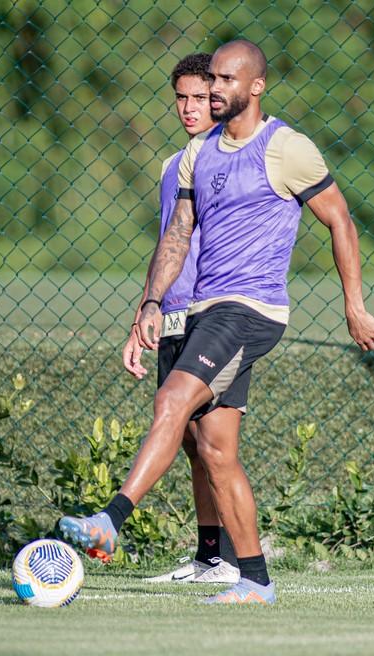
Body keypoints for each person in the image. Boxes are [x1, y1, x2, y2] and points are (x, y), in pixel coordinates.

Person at [61, 40, 374, 605]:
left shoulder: (287, 148)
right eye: (210, 77)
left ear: (254, 87)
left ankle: (110, 519)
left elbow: (341, 221)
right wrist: (150, 304)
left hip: (252, 310)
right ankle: (255, 581)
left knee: (172, 401)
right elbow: (178, 235)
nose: (213, 89)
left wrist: (353, 305)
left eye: (225, 80)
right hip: (207, 310)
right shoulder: (196, 154)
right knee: (215, 450)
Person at [121, 53, 240, 585]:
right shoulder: (175, 164)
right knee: (192, 442)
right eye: (181, 98)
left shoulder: (234, 158)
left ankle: (238, 558)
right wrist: (146, 307)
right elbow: (170, 242)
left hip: (216, 313)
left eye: (200, 97)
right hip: (173, 312)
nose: (190, 108)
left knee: (213, 443)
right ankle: (210, 558)